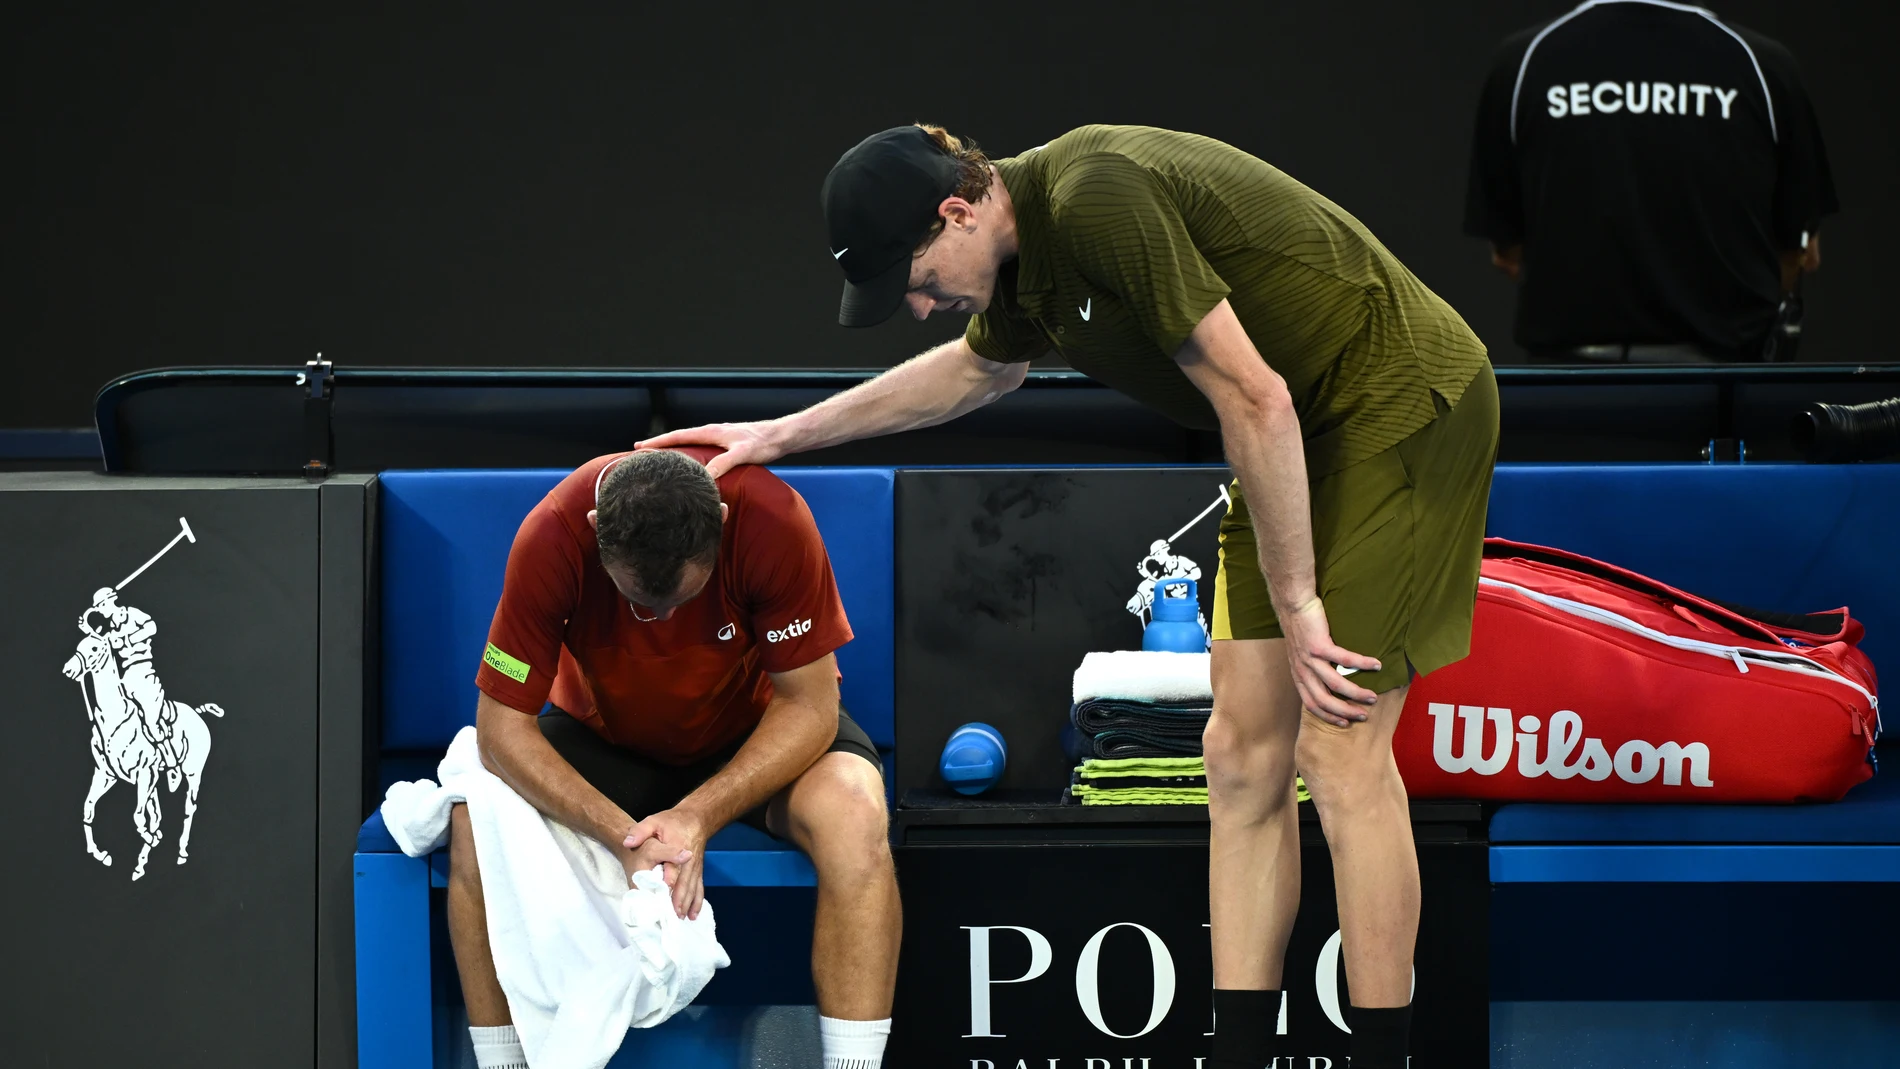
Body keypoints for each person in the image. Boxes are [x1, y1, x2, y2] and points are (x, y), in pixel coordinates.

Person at [644, 123, 1499, 1069]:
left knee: (1337, 748)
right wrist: (778, 435)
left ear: (957, 212)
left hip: (1395, 403)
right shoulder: (1020, 267)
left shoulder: (1094, 200)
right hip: (1291, 436)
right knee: (1238, 755)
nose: (921, 308)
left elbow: (1254, 396)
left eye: (918, 281)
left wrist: (1298, 605)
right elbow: (979, 370)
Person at [448, 447, 900, 1069]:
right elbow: (500, 728)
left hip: (753, 735)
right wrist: (621, 837)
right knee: (473, 822)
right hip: (606, 744)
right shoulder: (551, 534)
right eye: (638, 599)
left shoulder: (773, 518)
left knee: (854, 811)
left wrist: (697, 815)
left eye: (682, 600)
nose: (660, 618)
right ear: (595, 531)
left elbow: (810, 706)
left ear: (721, 521)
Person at [1465, 0, 1838, 363]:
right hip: (1722, 383)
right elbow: (1799, 251)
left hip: (1567, 382)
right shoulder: (1762, 64)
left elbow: (1507, 253)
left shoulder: (1524, 60)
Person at [83, 588, 180, 767]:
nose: (100, 611)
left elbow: (152, 627)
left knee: (150, 718)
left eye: (101, 606)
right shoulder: (109, 629)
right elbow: (101, 644)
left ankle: (170, 757)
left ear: (109, 602)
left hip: (144, 670)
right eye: (98, 608)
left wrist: (127, 640)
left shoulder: (131, 614)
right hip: (125, 676)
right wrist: (88, 629)